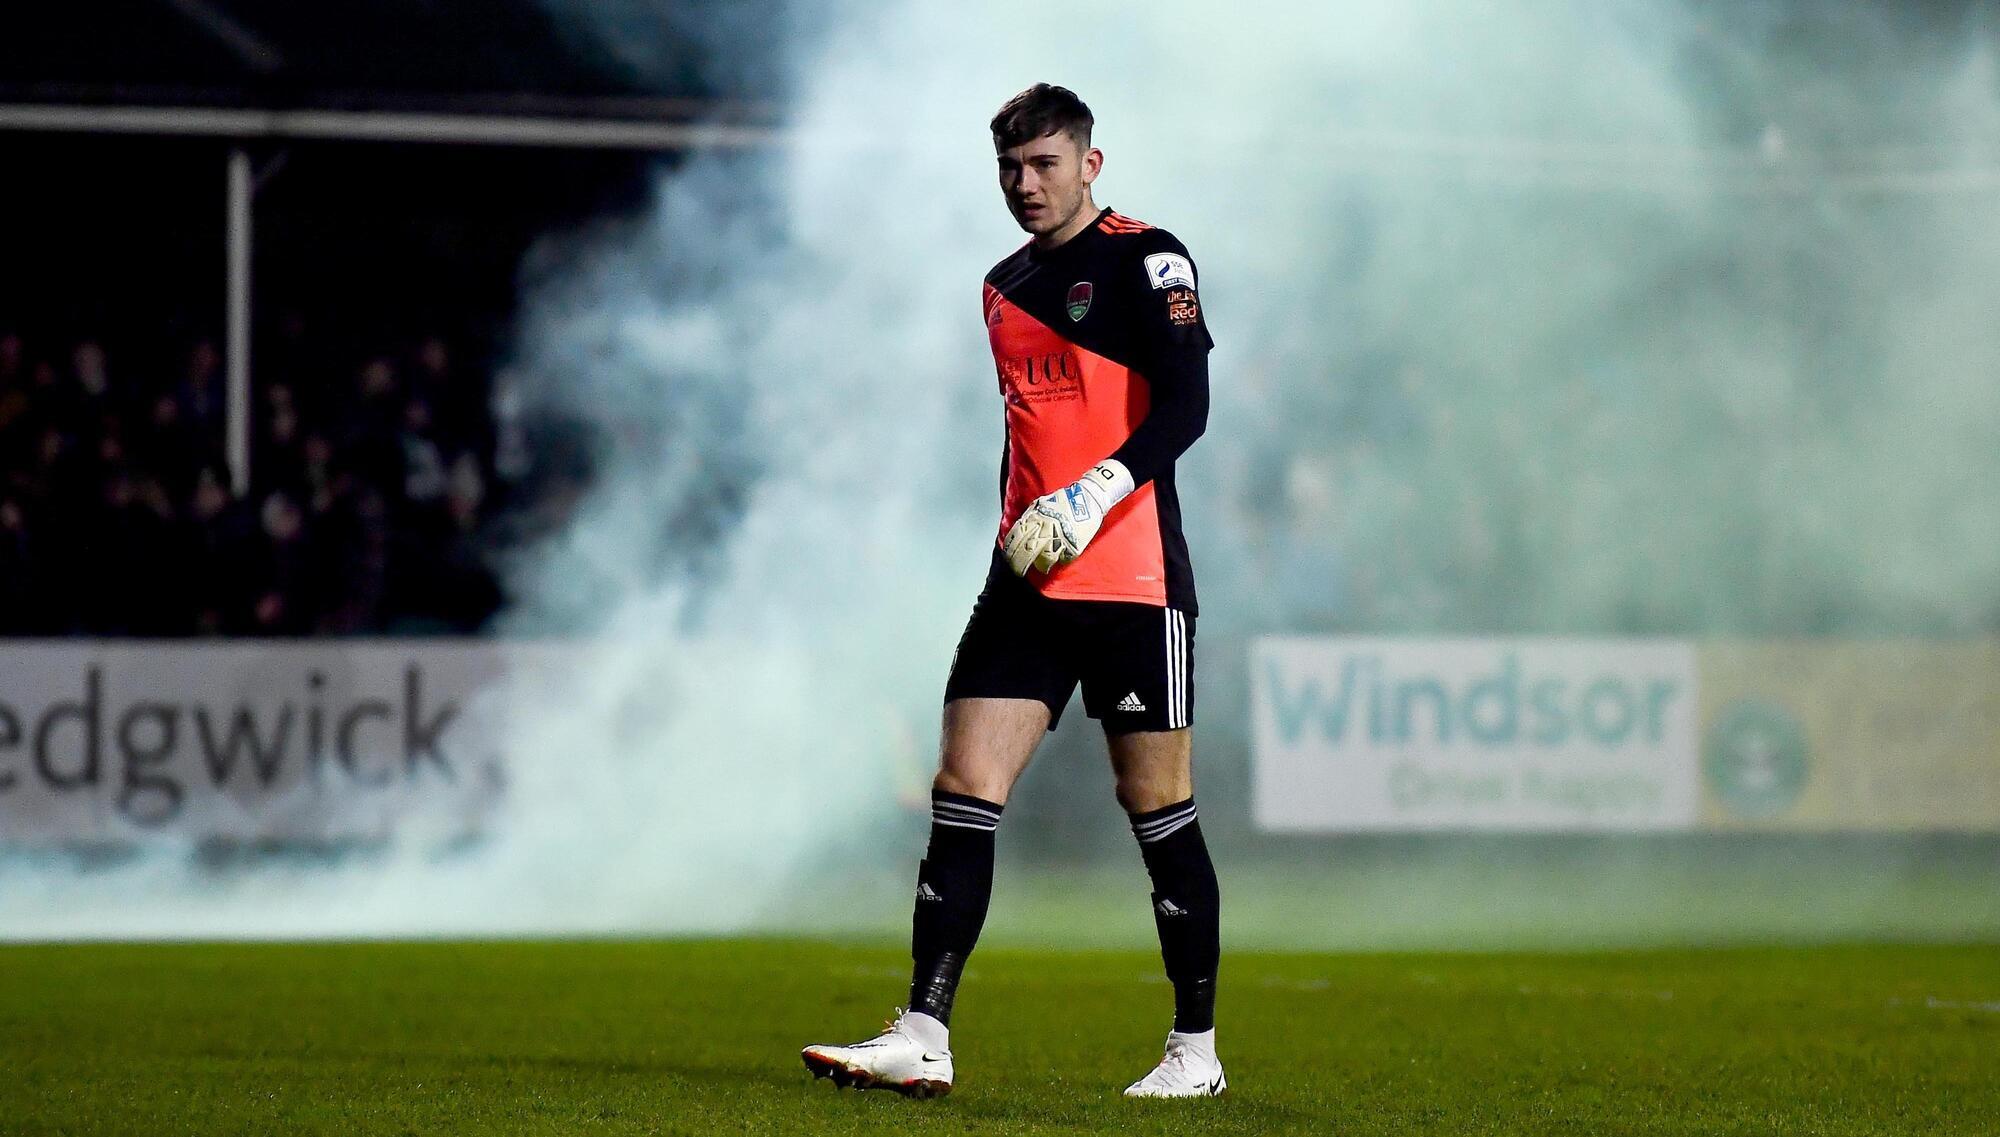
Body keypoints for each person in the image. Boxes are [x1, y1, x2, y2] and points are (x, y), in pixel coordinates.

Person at [802, 83, 1222, 1100]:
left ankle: (1194, 1050)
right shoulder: (1000, 286)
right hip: (1027, 579)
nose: (1025, 183)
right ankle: (923, 1031)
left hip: (1132, 579)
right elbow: (1027, 436)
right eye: (1010, 167)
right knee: (962, 785)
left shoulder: (1149, 259)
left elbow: (1187, 406)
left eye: (1044, 164)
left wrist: (1095, 493)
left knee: (1155, 804)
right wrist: (1022, 528)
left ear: (1090, 164)